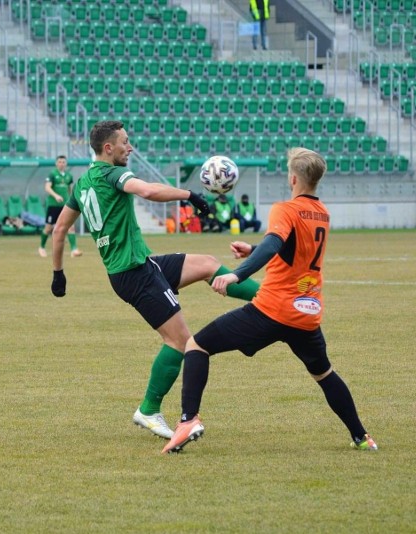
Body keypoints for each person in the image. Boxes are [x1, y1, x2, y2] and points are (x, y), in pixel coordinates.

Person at [50, 120, 261, 440]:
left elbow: (59, 230)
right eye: (125, 142)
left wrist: (58, 273)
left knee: (207, 265)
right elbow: (147, 190)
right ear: (108, 149)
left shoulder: (81, 184)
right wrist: (189, 194)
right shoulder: (112, 173)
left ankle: (271, 298)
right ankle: (149, 409)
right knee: (180, 341)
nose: (130, 147)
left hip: (139, 264)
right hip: (134, 273)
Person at [162, 147, 378, 454]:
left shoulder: (285, 209)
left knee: (197, 345)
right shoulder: (322, 213)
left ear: (293, 179)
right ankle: (361, 437)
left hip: (273, 310)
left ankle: (188, 420)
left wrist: (237, 274)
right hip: (307, 313)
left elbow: (275, 243)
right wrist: (253, 248)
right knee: (323, 373)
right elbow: (291, 250)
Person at [39, 155, 82, 258]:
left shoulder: (69, 176)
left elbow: (70, 190)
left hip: (65, 205)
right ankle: (41, 247)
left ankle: (74, 250)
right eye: (59, 162)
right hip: (53, 205)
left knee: (70, 227)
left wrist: (74, 200)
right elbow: (47, 187)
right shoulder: (52, 174)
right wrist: (56, 195)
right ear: (56, 163)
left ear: (66, 163)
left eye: (63, 162)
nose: (61, 164)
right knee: (48, 228)